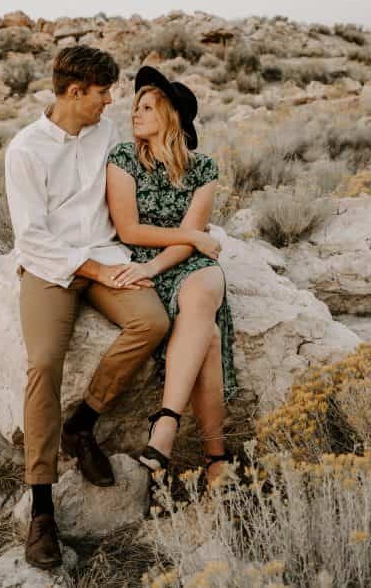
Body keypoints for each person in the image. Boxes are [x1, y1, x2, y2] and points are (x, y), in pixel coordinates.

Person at [3, 47, 218, 569]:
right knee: (45, 363)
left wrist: (181, 234)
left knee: (152, 321)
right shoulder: (25, 150)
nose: (110, 103)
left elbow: (142, 186)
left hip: (105, 254)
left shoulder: (105, 138)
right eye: (103, 93)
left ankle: (85, 421)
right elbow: (30, 237)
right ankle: (42, 509)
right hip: (53, 266)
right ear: (76, 92)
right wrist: (92, 270)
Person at [105, 66, 237, 490]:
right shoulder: (123, 158)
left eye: (146, 106)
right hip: (144, 256)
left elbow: (190, 244)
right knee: (209, 338)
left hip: (183, 264)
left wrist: (165, 259)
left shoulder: (203, 169)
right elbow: (129, 230)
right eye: (135, 107)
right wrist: (185, 241)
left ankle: (166, 422)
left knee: (204, 290)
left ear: (171, 115)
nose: (135, 114)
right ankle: (216, 459)